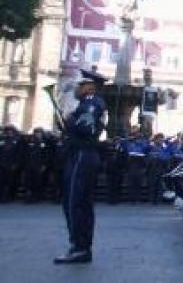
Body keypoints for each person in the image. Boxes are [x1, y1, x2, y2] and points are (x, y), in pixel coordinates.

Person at [54, 68, 106, 264]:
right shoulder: (86, 104)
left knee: (76, 203)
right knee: (76, 202)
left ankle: (80, 246)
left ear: (90, 87)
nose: (77, 88)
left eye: (80, 85)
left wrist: (69, 119)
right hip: (79, 155)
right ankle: (79, 246)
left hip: (83, 155)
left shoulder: (93, 104)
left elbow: (87, 129)